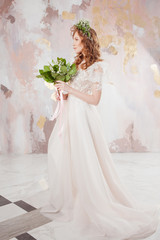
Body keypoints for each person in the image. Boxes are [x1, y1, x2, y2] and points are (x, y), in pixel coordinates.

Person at [41, 20, 160, 240]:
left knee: (85, 158)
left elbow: (94, 99)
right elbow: (69, 93)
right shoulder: (75, 64)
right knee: (63, 153)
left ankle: (93, 201)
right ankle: (72, 197)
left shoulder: (97, 67)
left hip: (84, 117)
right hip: (70, 116)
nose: (74, 43)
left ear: (86, 41)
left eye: (77, 40)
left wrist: (70, 89)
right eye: (73, 39)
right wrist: (61, 91)